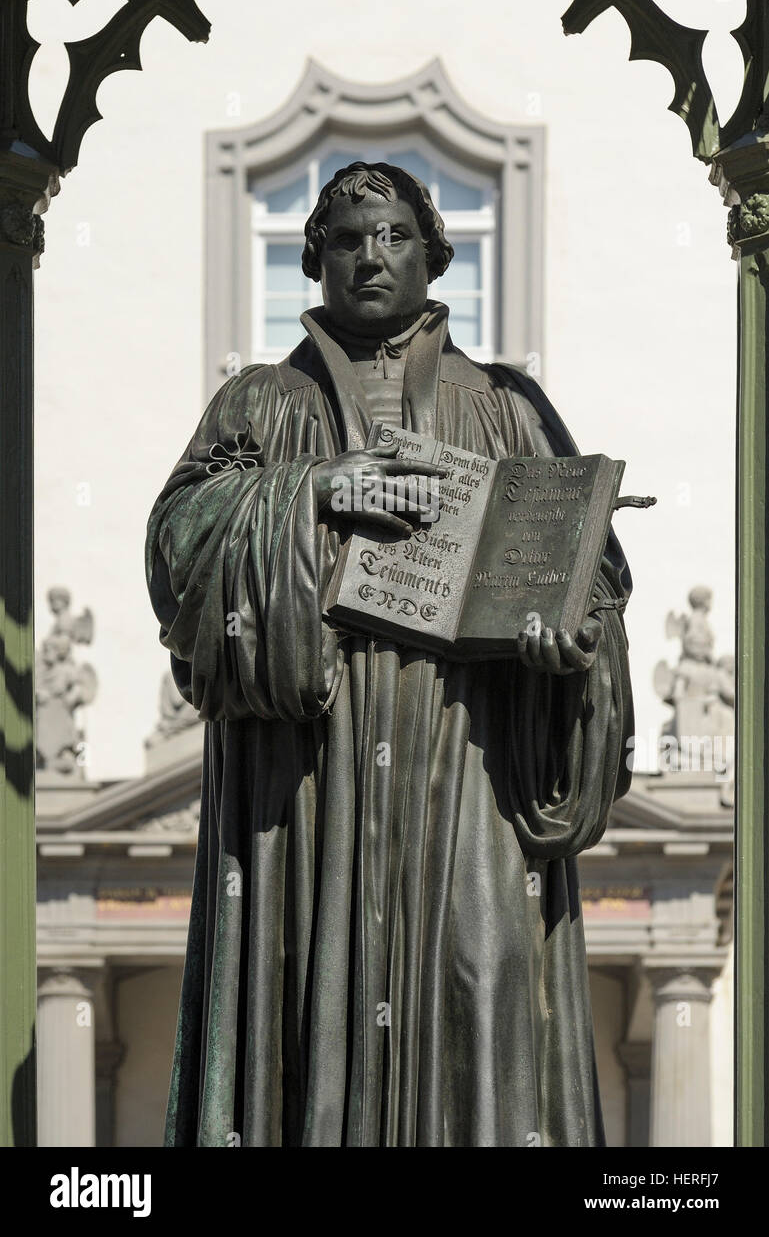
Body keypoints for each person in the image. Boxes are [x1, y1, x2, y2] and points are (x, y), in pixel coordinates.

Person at [146, 161, 634, 1147]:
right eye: (347, 237)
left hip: (468, 764)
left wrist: (568, 648)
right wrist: (314, 490)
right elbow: (178, 548)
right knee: (301, 998)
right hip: (307, 776)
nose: (371, 254)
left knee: (480, 980)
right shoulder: (258, 405)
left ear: (432, 252)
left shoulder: (507, 407)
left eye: (394, 235)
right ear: (315, 258)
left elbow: (593, 584)